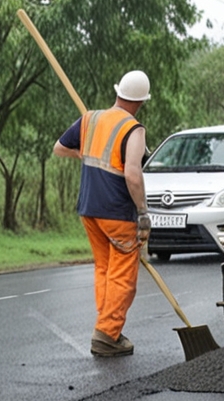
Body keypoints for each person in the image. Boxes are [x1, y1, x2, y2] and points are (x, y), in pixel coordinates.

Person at [53, 70, 151, 357]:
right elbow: (132, 174)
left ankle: (108, 326)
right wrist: (143, 213)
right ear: (141, 101)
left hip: (89, 208)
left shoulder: (90, 119)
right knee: (122, 275)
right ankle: (107, 335)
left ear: (117, 92)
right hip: (117, 212)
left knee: (104, 270)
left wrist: (82, 153)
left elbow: (60, 148)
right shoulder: (134, 129)